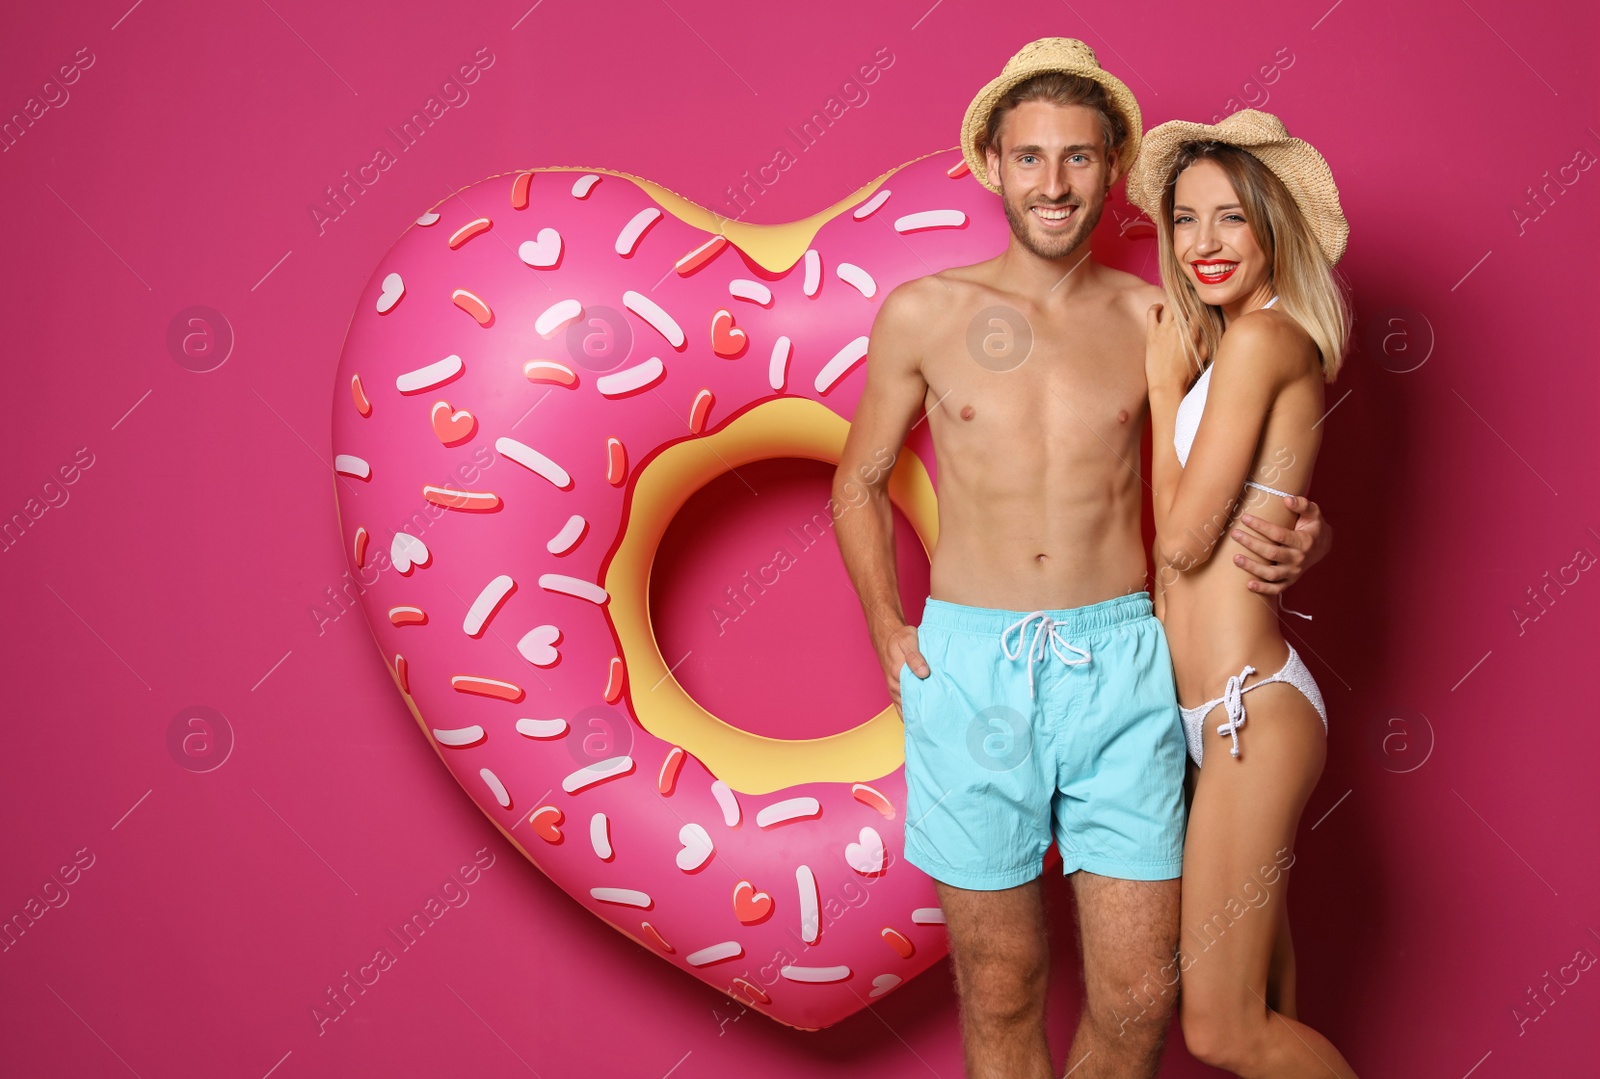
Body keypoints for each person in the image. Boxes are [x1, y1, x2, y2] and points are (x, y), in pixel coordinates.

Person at [832, 40, 1330, 1079]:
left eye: (1077, 157)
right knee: (1003, 983)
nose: (1052, 183)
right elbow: (858, 479)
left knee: (1139, 993)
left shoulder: (1167, 316)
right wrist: (888, 621)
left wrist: (1303, 526)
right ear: (991, 164)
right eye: (1029, 157)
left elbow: (1258, 447)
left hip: (1126, 665)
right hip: (970, 666)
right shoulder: (923, 312)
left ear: (1113, 169)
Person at [1129, 109, 1359, 1077]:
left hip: (1244, 715)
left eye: (1230, 218)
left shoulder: (1262, 341)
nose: (1203, 244)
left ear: (1272, 225)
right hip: (1199, 716)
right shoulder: (1232, 347)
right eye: (1184, 220)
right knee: (1266, 1009)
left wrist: (1154, 387)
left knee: (1222, 1029)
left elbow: (1179, 543)